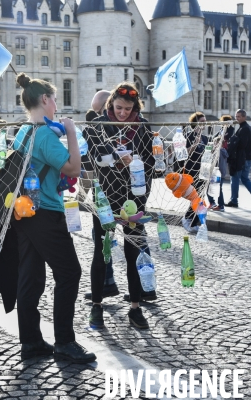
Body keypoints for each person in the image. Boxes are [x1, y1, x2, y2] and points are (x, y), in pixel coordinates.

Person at [11, 73, 95, 363]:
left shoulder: (23, 131)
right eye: (54, 99)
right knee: (70, 273)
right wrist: (71, 131)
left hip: (25, 211)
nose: (56, 105)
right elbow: (73, 168)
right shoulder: (45, 134)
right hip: (46, 211)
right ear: (45, 100)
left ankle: (31, 341)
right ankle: (65, 341)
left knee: (31, 277)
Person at [86, 82, 156, 330]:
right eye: (118, 108)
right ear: (110, 105)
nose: (123, 113)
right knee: (100, 253)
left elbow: (150, 165)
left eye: (128, 108)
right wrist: (115, 159)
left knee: (133, 253)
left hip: (133, 199)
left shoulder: (143, 127)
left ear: (135, 107)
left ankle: (136, 309)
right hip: (105, 197)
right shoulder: (97, 126)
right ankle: (96, 306)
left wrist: (135, 165)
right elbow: (88, 158)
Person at [83, 90, 120, 300]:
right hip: (103, 193)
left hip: (121, 194)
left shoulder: (126, 127)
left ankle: (144, 288)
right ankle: (107, 283)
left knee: (136, 240)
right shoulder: (96, 129)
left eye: (99, 112)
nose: (97, 117)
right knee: (103, 239)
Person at [226, 109, 251, 209]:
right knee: (245, 179)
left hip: (242, 159)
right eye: (236, 116)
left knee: (234, 178)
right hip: (247, 158)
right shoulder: (245, 127)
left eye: (239, 117)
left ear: (244, 117)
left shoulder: (244, 128)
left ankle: (234, 200)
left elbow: (242, 144)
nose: (237, 118)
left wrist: (233, 139)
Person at [179, 112, 208, 232]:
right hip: (191, 171)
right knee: (195, 197)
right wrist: (194, 145)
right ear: (195, 123)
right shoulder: (188, 136)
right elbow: (183, 155)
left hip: (202, 171)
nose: (204, 124)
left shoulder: (205, 138)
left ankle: (194, 221)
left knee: (201, 197)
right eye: (202, 122)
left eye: (205, 122)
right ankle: (187, 218)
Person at [209, 115, 232, 212]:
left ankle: (220, 205)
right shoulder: (221, 150)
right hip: (218, 172)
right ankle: (215, 204)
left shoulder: (221, 151)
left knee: (217, 189)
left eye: (216, 144)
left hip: (218, 172)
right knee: (215, 188)